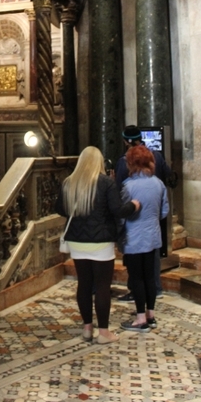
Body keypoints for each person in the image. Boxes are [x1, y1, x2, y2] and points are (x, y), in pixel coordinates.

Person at [56, 146, 140, 345]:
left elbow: (59, 208)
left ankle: (87, 329)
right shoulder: (105, 183)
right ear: (99, 162)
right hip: (101, 241)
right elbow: (118, 210)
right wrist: (134, 205)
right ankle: (103, 332)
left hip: (77, 241)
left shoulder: (69, 182)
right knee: (102, 286)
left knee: (84, 284)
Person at [115, 124, 177, 301]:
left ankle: (136, 292)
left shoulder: (124, 163)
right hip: (153, 216)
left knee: (134, 260)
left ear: (126, 141)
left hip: (133, 218)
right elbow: (169, 177)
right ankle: (155, 289)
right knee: (152, 256)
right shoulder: (157, 156)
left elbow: (119, 191)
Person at [120, 145, 169, 332]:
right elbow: (164, 212)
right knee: (150, 276)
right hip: (152, 236)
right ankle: (151, 315)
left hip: (133, 237)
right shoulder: (159, 184)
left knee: (137, 278)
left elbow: (123, 214)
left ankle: (140, 319)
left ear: (131, 163)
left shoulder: (128, 186)